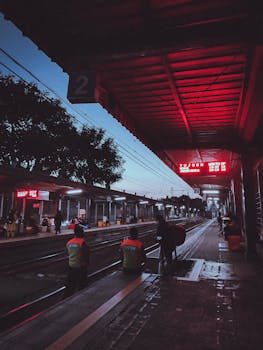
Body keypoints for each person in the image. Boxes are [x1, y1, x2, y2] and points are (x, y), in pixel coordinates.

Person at [65, 224, 90, 297]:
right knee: (82, 284)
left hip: (71, 266)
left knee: (70, 284)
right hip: (80, 267)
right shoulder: (82, 243)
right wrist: (87, 264)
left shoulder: (69, 242)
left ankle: (68, 295)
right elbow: (86, 256)